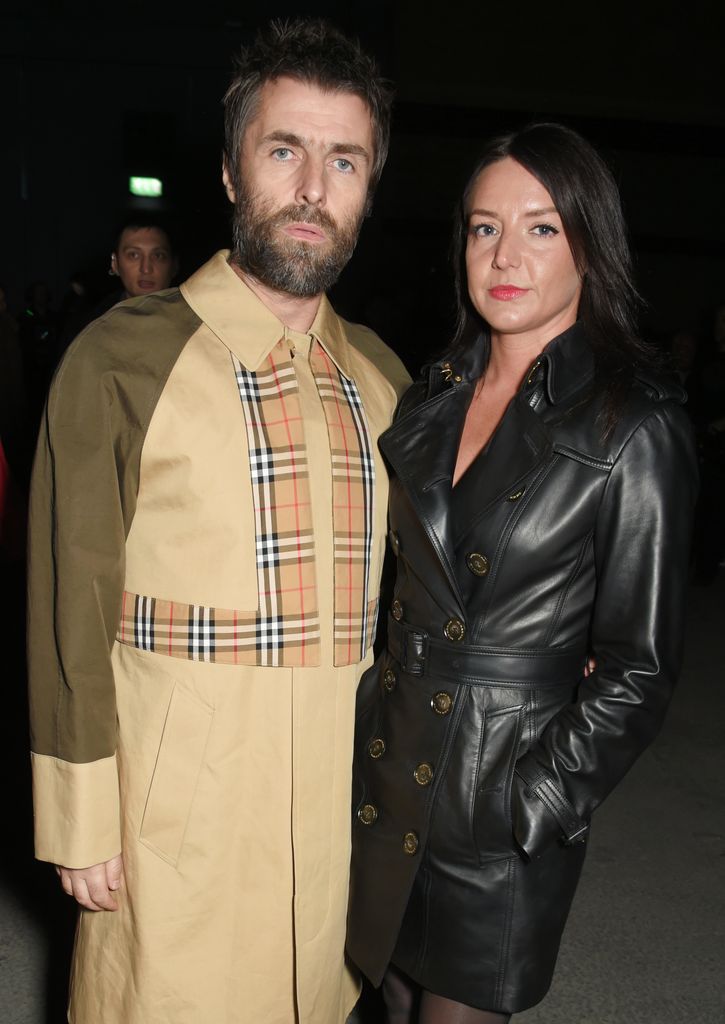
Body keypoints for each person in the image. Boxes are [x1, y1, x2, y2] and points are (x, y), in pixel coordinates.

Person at [27, 18, 409, 1024]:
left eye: (344, 161)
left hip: (333, 825)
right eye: (283, 151)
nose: (312, 188)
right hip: (174, 829)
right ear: (234, 174)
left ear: (369, 187)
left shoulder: (386, 379)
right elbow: (68, 600)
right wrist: (81, 814)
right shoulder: (124, 360)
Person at [347, 123, 697, 1023]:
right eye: (482, 227)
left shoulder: (632, 426)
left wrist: (532, 800)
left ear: (589, 243)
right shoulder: (430, 393)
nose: (505, 255)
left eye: (541, 228)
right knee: (381, 997)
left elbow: (639, 669)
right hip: (386, 771)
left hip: (496, 802)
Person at [108, 217, 178, 299]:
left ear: (174, 265)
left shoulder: (191, 310)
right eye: (134, 255)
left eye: (158, 255)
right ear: (115, 264)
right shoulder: (104, 311)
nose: (146, 269)